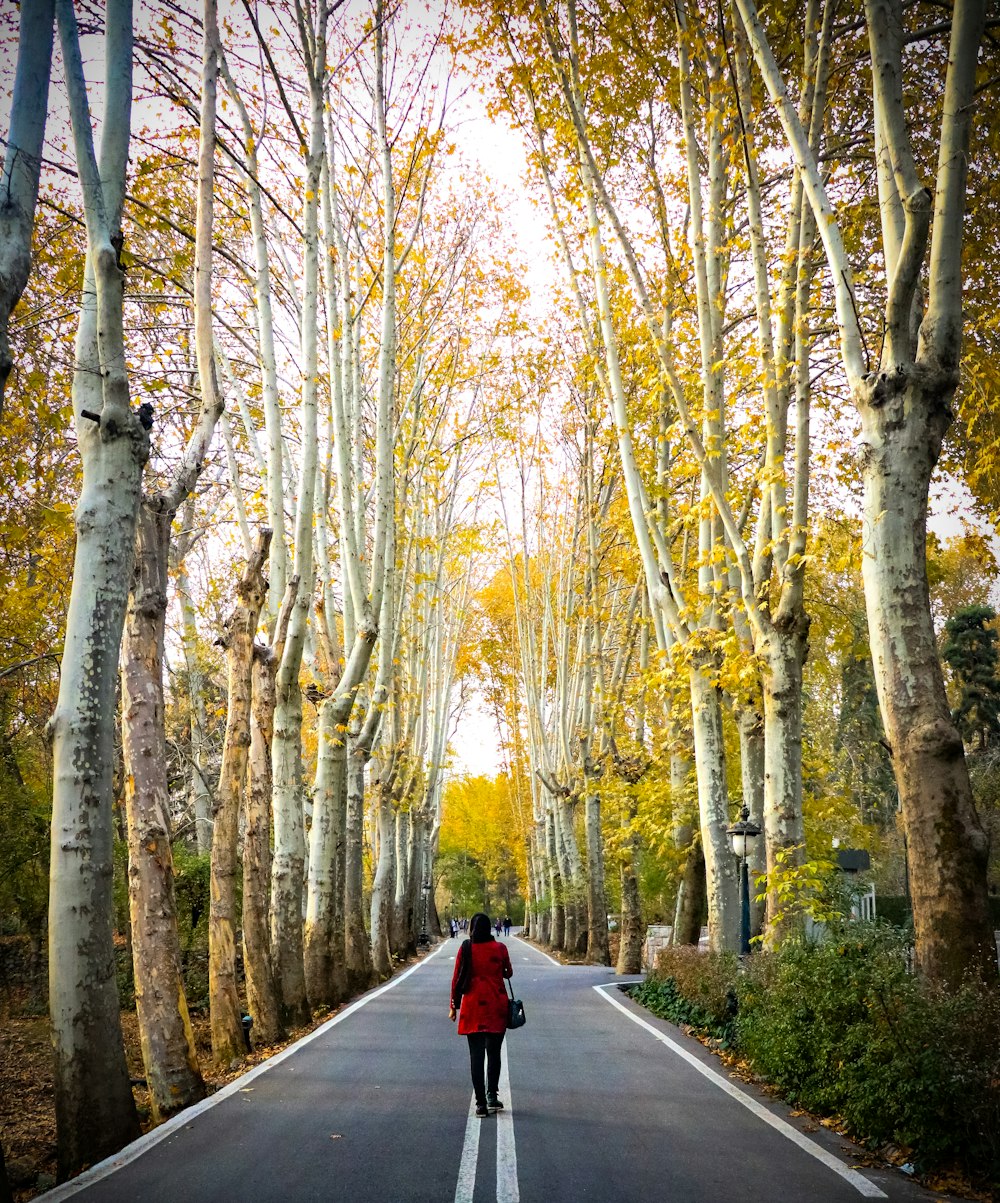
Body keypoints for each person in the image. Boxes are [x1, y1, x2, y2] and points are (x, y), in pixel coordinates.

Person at [449, 912, 513, 1118]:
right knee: (494, 1053)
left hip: (472, 1006)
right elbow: (508, 973)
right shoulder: (500, 948)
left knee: (476, 1056)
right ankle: (492, 1096)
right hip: (496, 1005)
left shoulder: (466, 948)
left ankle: (480, 1104)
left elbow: (456, 977)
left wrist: (453, 1005)